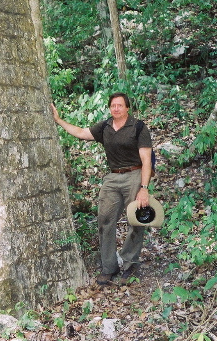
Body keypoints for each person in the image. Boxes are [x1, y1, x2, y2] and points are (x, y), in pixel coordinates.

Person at [51, 92, 153, 286]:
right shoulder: (105, 127)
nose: (116, 108)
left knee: (136, 220)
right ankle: (109, 267)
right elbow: (81, 133)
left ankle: (130, 264)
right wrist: (58, 120)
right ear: (109, 108)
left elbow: (146, 160)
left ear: (127, 108)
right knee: (105, 220)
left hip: (134, 175)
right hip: (113, 177)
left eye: (120, 105)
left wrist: (144, 188)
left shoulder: (138, 127)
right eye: (113, 105)